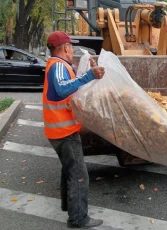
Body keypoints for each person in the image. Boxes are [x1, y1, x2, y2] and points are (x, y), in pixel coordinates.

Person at [43, 31, 105, 228]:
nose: (72, 51)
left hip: (58, 130)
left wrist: (87, 73)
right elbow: (62, 89)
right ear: (65, 48)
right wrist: (88, 75)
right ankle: (78, 218)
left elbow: (68, 85)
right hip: (64, 131)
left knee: (68, 169)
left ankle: (68, 206)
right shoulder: (59, 66)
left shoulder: (57, 66)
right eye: (71, 47)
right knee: (79, 174)